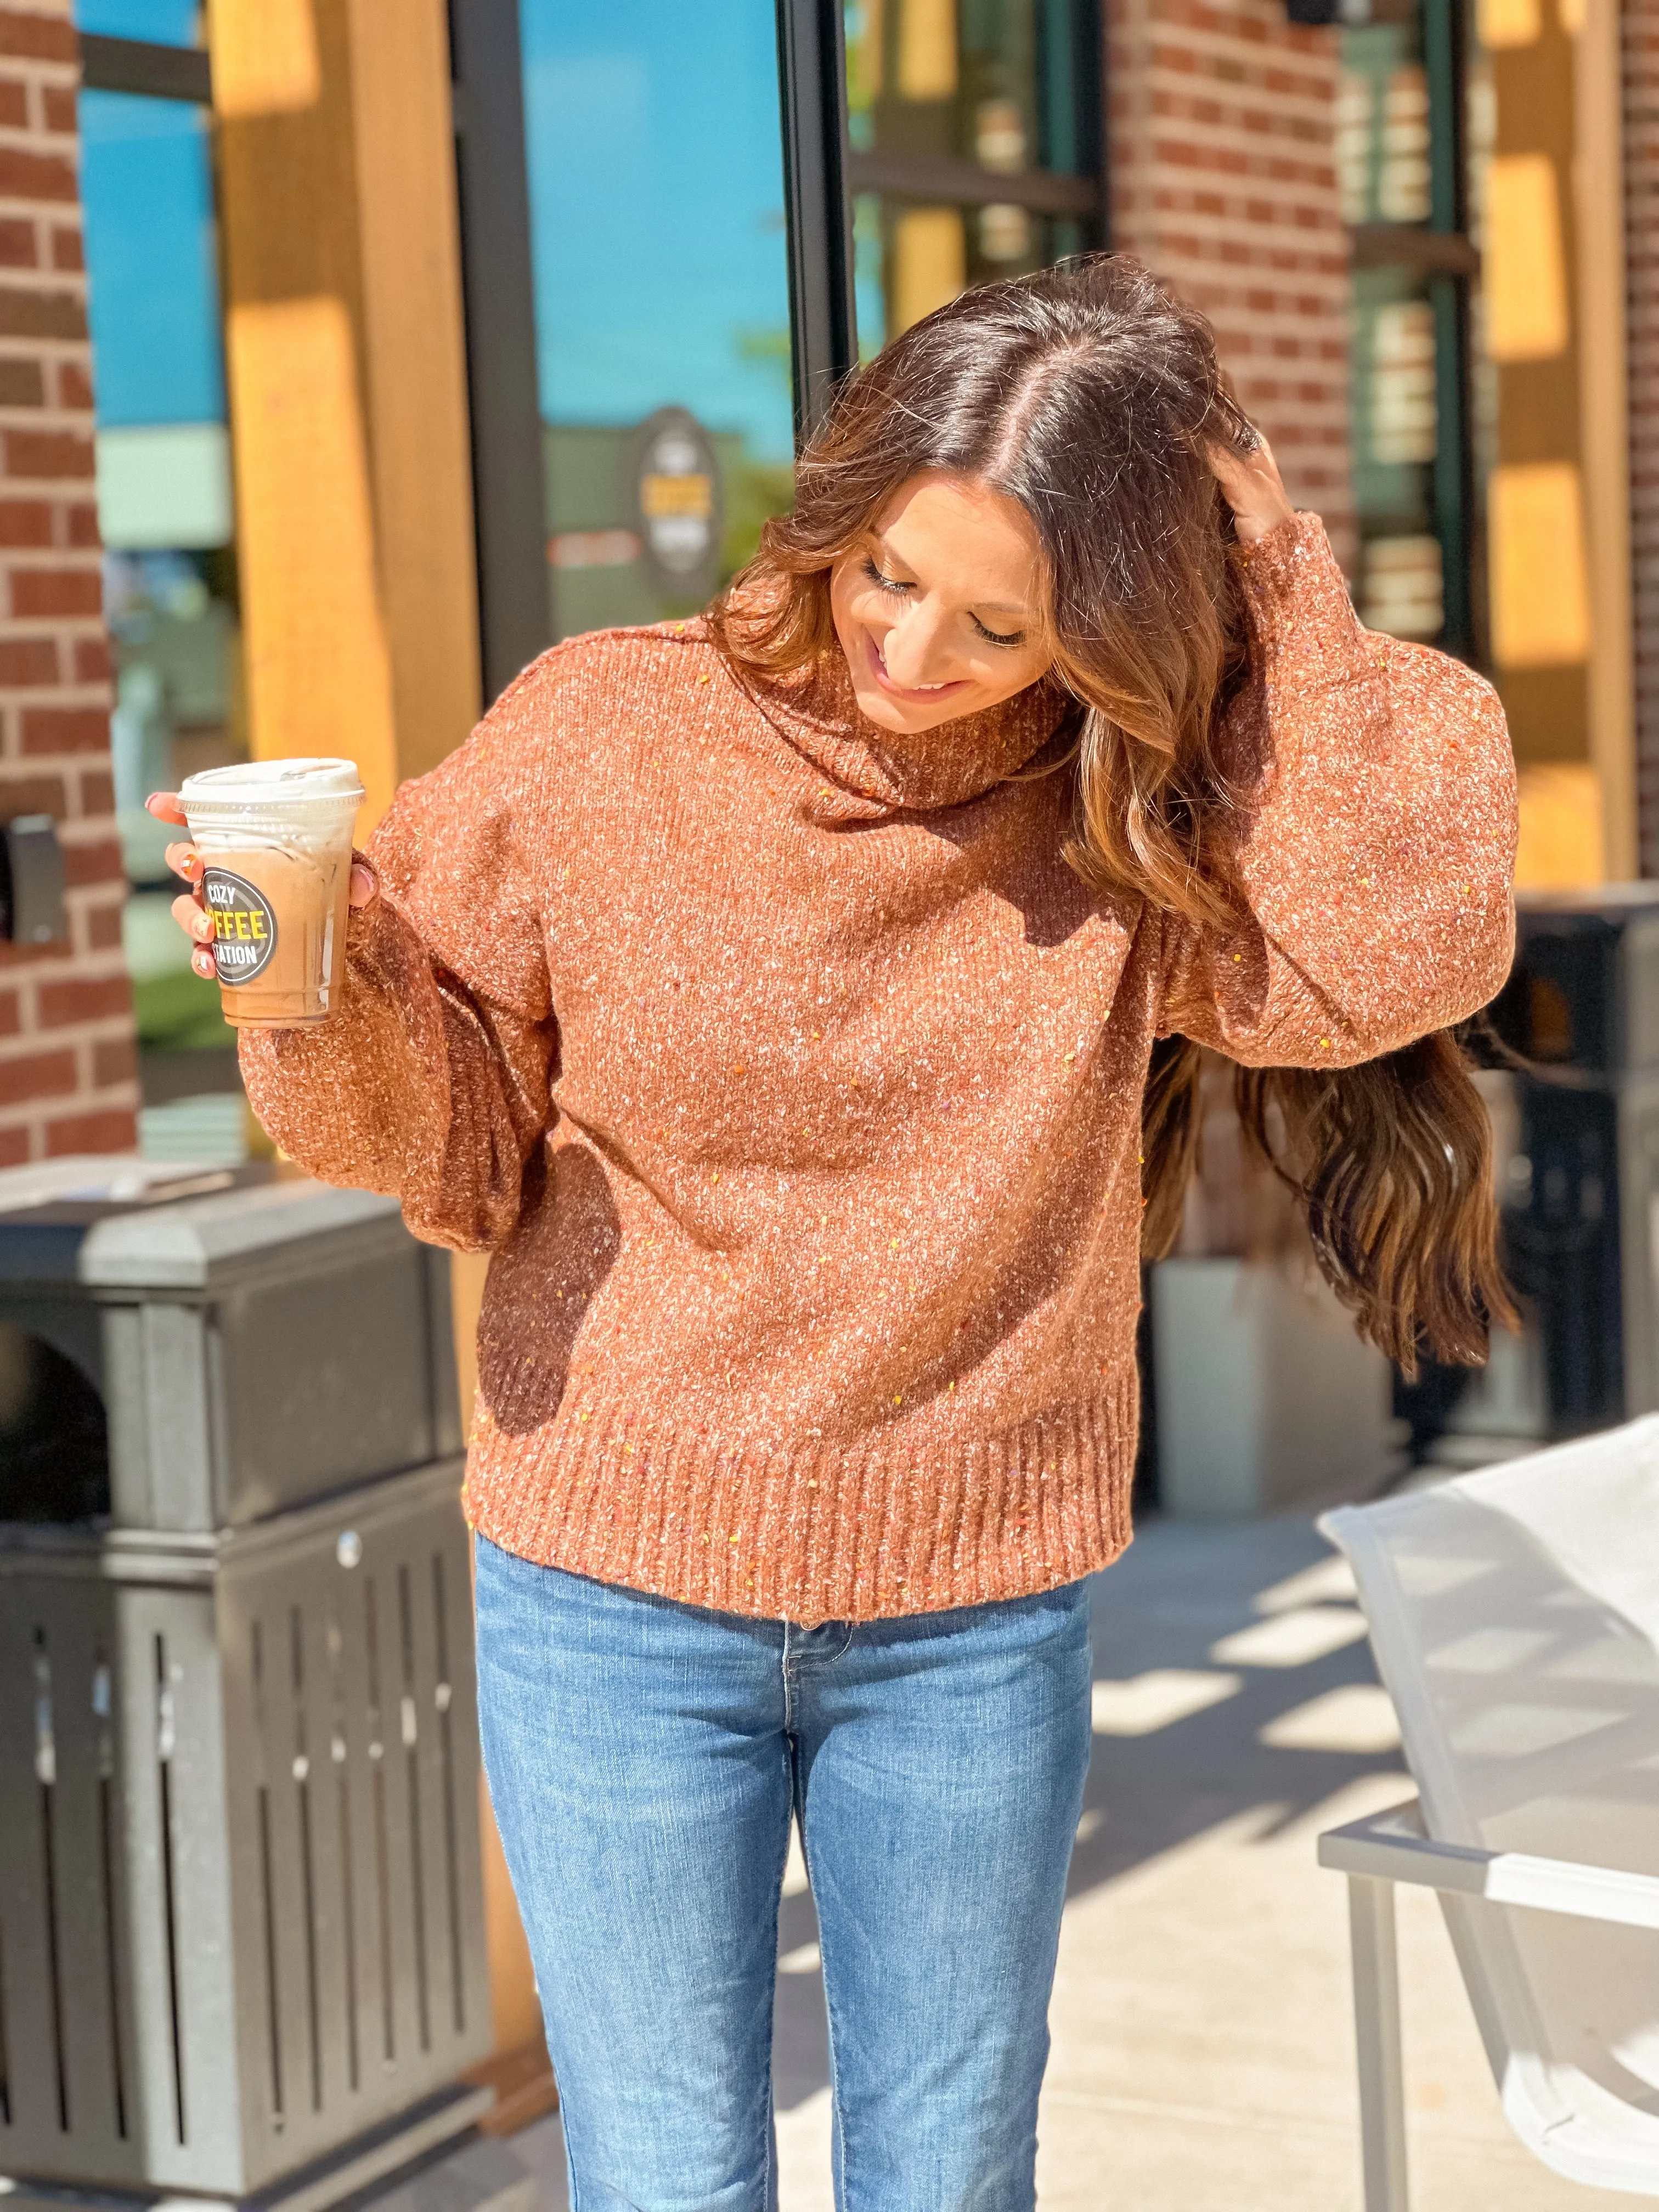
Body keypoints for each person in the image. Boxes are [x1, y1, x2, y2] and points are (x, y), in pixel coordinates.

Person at [153, 255, 1516, 2212]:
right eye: (891, 571)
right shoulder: (602, 733)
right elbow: (446, 1141)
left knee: (950, 2175)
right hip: (612, 1601)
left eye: (1003, 623)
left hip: (968, 1615)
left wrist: (1280, 571)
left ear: (1103, 632)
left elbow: (1399, 947)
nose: (914, 650)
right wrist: (302, 989)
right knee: (665, 2176)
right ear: (840, 504)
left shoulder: (1112, 815)